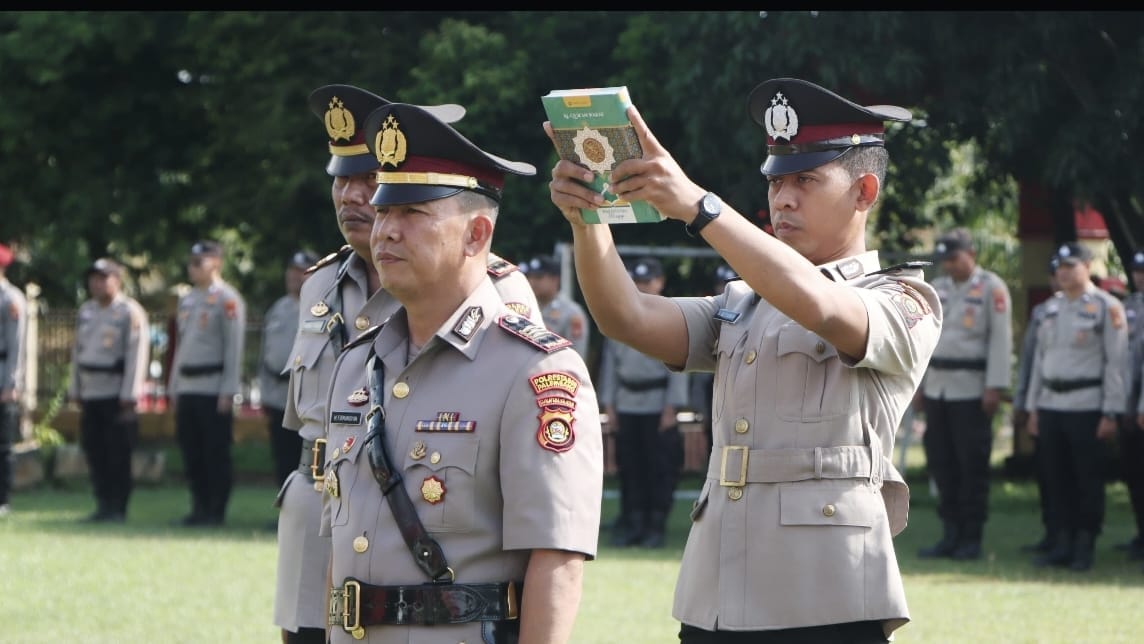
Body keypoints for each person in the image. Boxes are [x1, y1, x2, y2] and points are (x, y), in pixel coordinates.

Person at [547, 77, 942, 642]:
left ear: (864, 191)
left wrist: (699, 206)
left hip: (825, 592)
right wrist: (589, 218)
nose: (783, 198)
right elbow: (626, 317)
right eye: (777, 179)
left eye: (806, 179)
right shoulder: (745, 301)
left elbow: (821, 306)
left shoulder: (903, 297)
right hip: (720, 588)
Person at [317, 101, 602, 644]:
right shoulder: (357, 363)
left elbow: (557, 559)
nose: (386, 231)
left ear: (476, 234)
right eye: (383, 211)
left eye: (412, 213)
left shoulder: (534, 371)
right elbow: (342, 546)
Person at [273, 85, 542, 644]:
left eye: (368, 181)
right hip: (321, 506)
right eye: (341, 180)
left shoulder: (494, 288)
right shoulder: (320, 285)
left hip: (427, 520)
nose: (353, 197)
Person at [1027, 241, 1128, 571]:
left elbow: (1116, 364)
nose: (1064, 273)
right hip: (1051, 404)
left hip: (1087, 405)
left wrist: (1110, 412)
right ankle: (1062, 542)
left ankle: (1085, 543)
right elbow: (1040, 362)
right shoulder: (1050, 308)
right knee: (1056, 477)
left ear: (1087, 267)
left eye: (1071, 266)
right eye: (1060, 267)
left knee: (1087, 479)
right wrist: (1033, 407)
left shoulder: (1106, 307)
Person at [916, 228, 1012, 561]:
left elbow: (1000, 340)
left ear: (971, 254)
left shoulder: (991, 288)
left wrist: (995, 386)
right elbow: (924, 340)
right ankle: (950, 534)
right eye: (945, 260)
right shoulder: (938, 288)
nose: (949, 265)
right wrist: (920, 385)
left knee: (971, 466)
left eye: (954, 258)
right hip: (938, 386)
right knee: (942, 463)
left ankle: (971, 537)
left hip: (972, 388)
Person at [597, 256, 690, 548]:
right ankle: (633, 522)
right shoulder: (621, 313)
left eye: (648, 281)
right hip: (627, 402)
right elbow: (610, 365)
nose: (643, 286)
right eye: (638, 281)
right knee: (629, 466)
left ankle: (655, 524)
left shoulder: (672, 314)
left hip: (657, 403)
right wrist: (609, 404)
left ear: (660, 283)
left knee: (658, 468)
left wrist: (672, 407)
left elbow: (680, 362)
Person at [169, 240, 247, 527]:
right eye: (190, 262)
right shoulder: (188, 299)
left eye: (198, 262)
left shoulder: (227, 299)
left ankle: (215, 510)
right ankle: (198, 507)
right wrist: (174, 386)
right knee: (192, 452)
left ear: (216, 263)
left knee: (214, 452)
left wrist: (229, 391)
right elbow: (181, 346)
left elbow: (233, 347)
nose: (192, 268)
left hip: (213, 388)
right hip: (188, 386)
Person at [68, 258, 150, 523]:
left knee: (117, 454)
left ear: (117, 280)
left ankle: (118, 506)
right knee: (95, 451)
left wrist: (130, 394)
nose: (97, 283)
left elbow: (137, 355)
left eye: (104, 278)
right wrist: (75, 387)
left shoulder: (129, 312)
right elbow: (77, 353)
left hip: (116, 393)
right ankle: (102, 503)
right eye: (94, 278)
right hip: (91, 391)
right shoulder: (86, 311)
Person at [1013, 256, 1061, 554]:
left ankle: (1076, 540)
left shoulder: (1102, 307)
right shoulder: (1043, 312)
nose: (1058, 279)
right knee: (1048, 473)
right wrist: (1025, 404)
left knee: (1076, 476)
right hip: (1044, 402)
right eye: (1054, 274)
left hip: (1082, 403)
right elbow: (1031, 362)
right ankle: (1052, 534)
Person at [259, 250, 317, 489]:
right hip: (279, 394)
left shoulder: (322, 306)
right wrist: (264, 392)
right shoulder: (278, 308)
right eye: (292, 270)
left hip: (307, 396)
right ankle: (285, 503)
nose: (294, 276)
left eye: (301, 271)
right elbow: (265, 354)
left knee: (306, 459)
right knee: (282, 457)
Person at [689, 263, 737, 463]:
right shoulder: (711, 310)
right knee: (713, 437)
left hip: (738, 381)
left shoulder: (751, 309)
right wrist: (698, 405)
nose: (723, 289)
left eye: (728, 284)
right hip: (712, 380)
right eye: (720, 284)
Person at [1115, 249, 1144, 559]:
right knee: (1134, 474)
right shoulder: (1128, 307)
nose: (1140, 277)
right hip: (1128, 404)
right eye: (1137, 271)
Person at [520, 253, 591, 359]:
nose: (532, 282)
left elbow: (576, 355)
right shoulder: (526, 306)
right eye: (530, 277)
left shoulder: (571, 312)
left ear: (555, 279)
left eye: (538, 277)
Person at [0, 243, 26, 518]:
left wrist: (11, 384)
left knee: (2, 445)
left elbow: (16, 345)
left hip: (1, 377)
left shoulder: (10, 299)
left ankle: (2, 499)